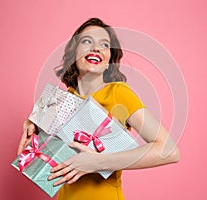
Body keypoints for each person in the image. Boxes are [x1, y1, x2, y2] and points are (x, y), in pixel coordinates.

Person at [17, 18, 180, 200]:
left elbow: (169, 151)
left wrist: (96, 162)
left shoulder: (119, 93)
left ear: (109, 57)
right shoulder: (63, 99)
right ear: (73, 52)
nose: (96, 48)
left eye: (104, 44)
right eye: (87, 41)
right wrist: (33, 121)